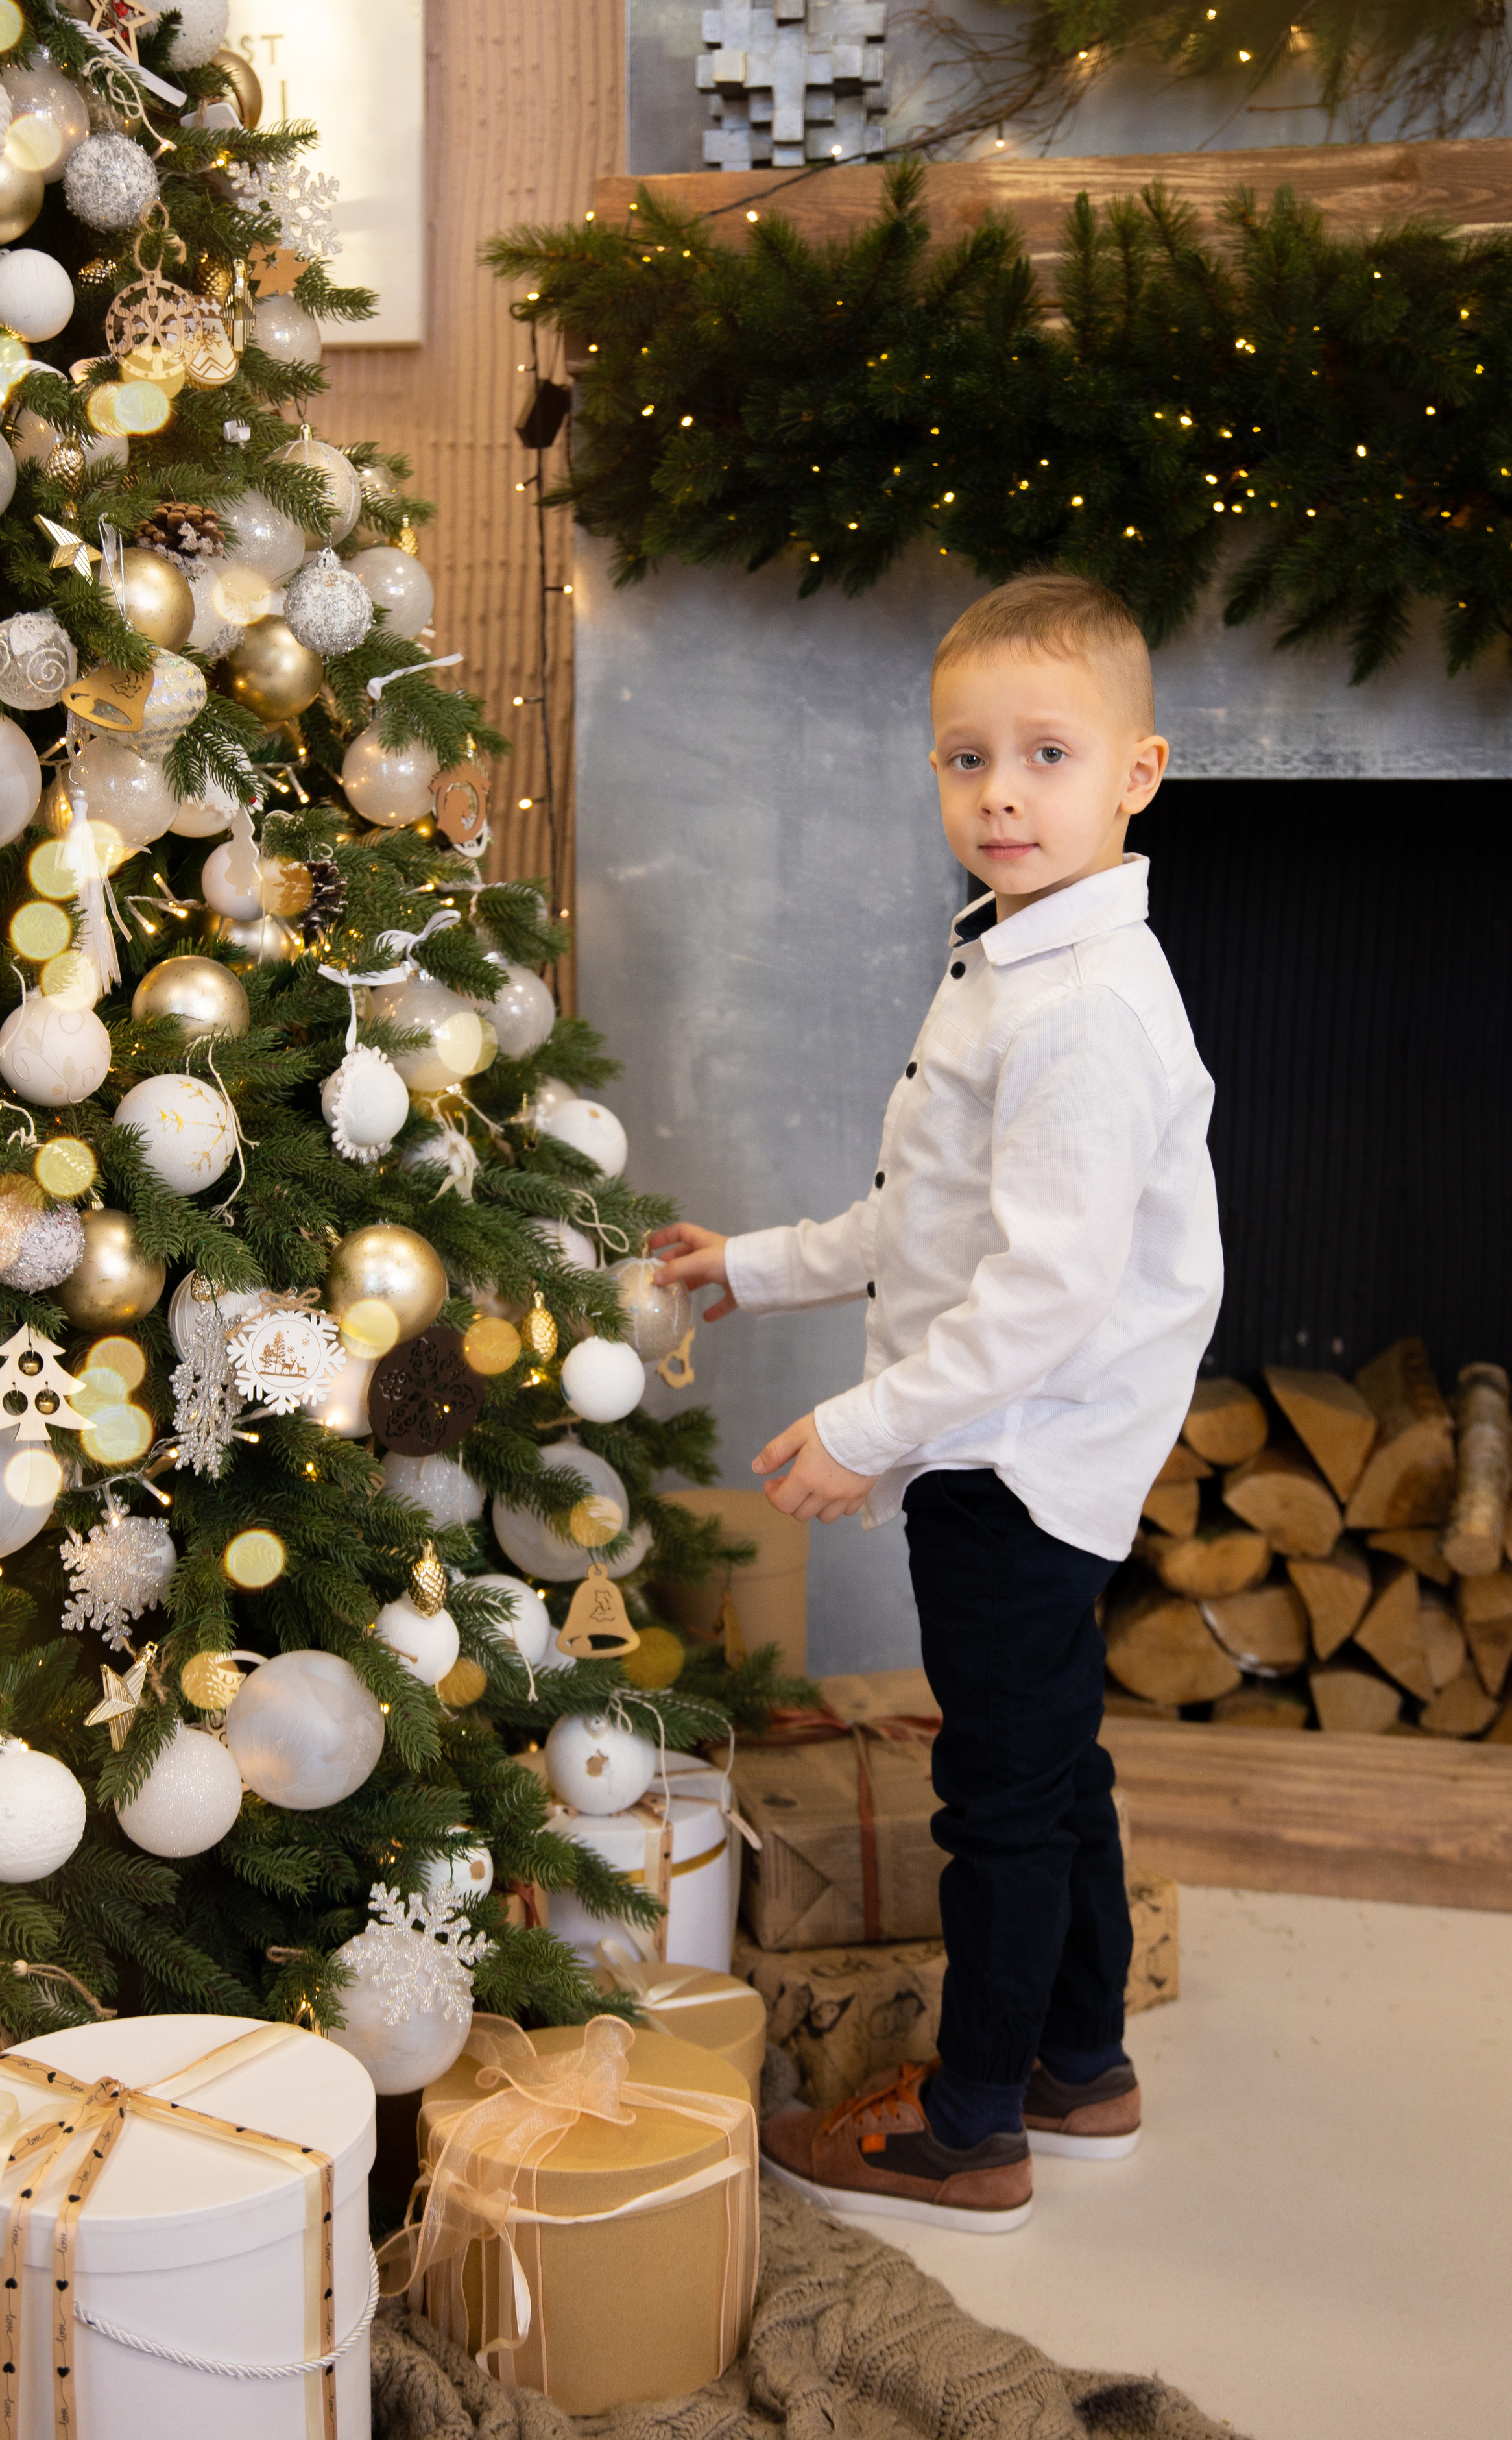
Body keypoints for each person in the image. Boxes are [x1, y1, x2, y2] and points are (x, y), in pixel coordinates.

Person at [651, 572, 1222, 2232]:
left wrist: (865, 1428)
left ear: (1137, 771)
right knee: (1057, 1770)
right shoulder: (1009, 969)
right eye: (965, 759)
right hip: (1003, 1441)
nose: (999, 792)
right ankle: (1078, 2063)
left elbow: (1037, 1300)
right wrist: (746, 1267)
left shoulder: (1083, 1014)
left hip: (1016, 1460)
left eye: (1046, 755)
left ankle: (969, 2125)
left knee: (999, 1802)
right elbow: (929, 1220)